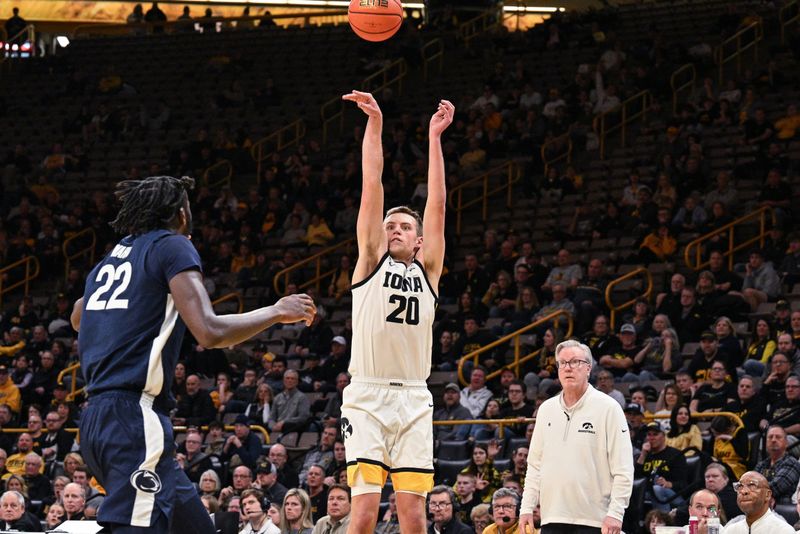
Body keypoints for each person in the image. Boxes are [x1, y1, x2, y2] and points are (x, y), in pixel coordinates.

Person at [70, 175, 316, 532]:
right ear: (180, 214)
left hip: (96, 418)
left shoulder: (112, 258)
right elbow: (210, 331)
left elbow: (78, 317)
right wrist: (277, 311)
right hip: (133, 416)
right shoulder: (173, 245)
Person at [339, 90, 454, 534]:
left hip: (413, 398)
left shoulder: (428, 271)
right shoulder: (369, 261)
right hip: (366, 398)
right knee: (364, 514)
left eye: (405, 226)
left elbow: (438, 204)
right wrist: (375, 124)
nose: (395, 229)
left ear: (420, 240)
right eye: (390, 225)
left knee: (414, 518)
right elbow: (372, 186)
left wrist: (435, 137)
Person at [519, 340, 633, 534]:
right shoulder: (546, 409)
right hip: (552, 517)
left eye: (575, 362)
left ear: (588, 368)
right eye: (562, 363)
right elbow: (535, 465)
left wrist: (616, 512)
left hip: (595, 519)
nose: (568, 368)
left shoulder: (608, 408)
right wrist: (526, 508)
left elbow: (623, 468)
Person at [721, 471, 794, 533]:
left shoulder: (783, 531)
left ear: (767, 495)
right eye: (740, 486)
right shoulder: (731, 530)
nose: (743, 491)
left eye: (752, 485)